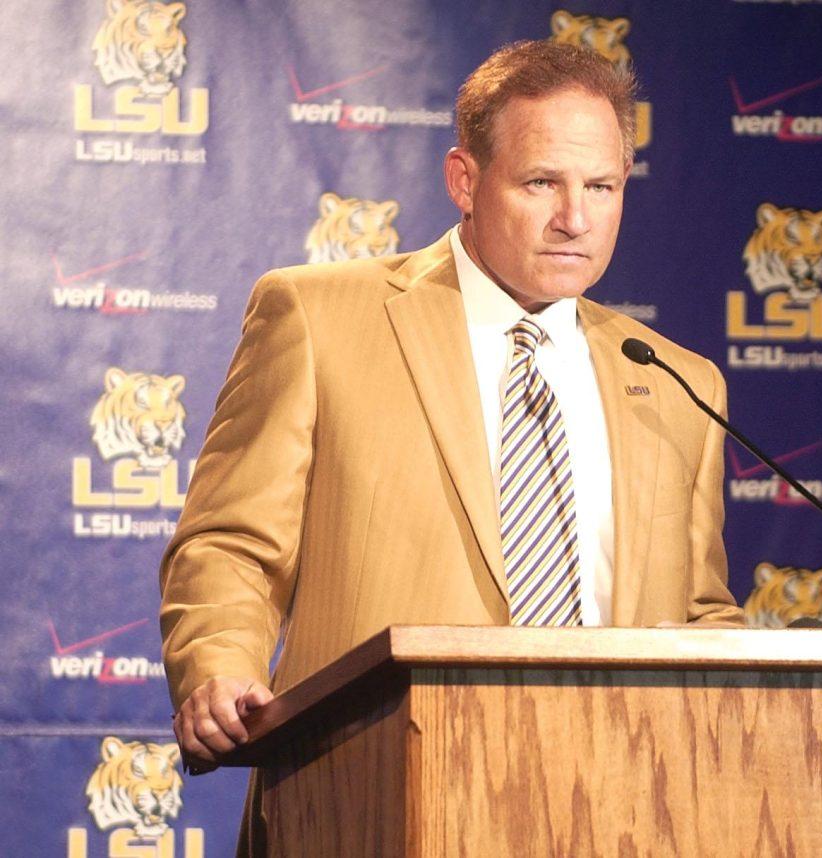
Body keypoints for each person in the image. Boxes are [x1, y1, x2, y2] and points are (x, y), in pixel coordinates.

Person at [160, 38, 742, 849]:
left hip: (612, 811)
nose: (576, 217)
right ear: (465, 181)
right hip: (368, 801)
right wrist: (219, 663)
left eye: (601, 186)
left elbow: (699, 613)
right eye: (542, 182)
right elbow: (229, 543)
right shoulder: (319, 319)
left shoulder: (679, 383)